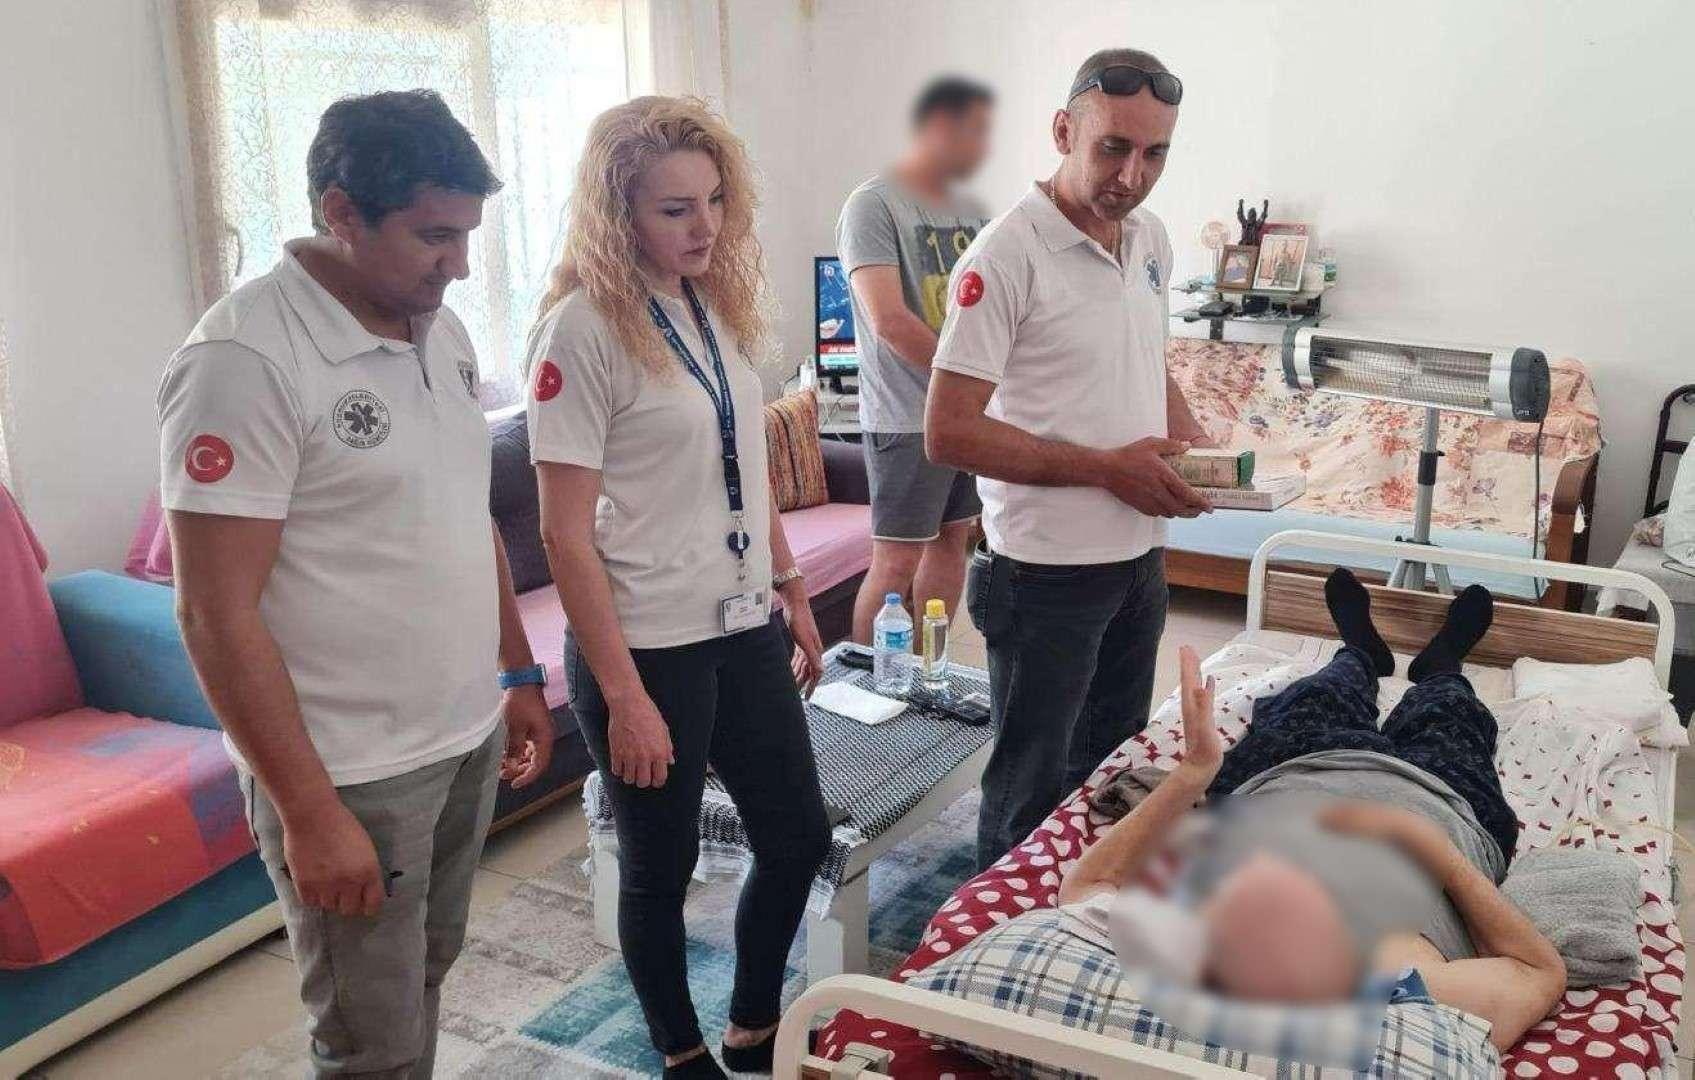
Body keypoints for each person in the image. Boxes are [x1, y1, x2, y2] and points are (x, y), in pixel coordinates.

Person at [159, 90, 555, 1078]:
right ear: (341, 213)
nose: (459, 265)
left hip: (462, 737)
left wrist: (516, 675)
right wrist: (307, 810)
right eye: (434, 235)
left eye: (467, 235)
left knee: (422, 976)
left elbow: (466, 519)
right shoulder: (243, 360)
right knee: (366, 1037)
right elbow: (212, 612)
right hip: (351, 770)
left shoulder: (440, 329)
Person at [527, 96, 832, 1079]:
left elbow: (747, 468)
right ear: (617, 215)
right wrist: (623, 698)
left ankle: (752, 1028)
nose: (704, 227)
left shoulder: (709, 305)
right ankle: (680, 1052)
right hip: (646, 646)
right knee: (661, 869)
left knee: (797, 837)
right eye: (674, 209)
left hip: (741, 626)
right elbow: (563, 536)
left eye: (713, 201)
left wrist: (791, 589)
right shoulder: (581, 332)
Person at [1058, 569, 1562, 1051]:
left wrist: (1195, 772)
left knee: (1317, 695)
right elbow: (1538, 972)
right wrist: (1434, 849)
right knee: (1451, 713)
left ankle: (1359, 652)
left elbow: (1086, 891)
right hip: (1437, 796)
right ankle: (1443, 665)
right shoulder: (1406, 991)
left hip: (1288, 773)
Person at [924, 48, 1214, 869]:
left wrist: (1197, 450)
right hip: (1043, 576)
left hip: (1138, 562)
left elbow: (1143, 361)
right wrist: (1107, 468)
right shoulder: (1003, 257)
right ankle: (995, 934)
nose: (1132, 175)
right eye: (1112, 148)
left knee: (1110, 771)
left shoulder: (1149, 238)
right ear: (1062, 131)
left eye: (1154, 153)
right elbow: (947, 432)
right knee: (1028, 788)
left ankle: (1082, 916)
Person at [837, 76, 994, 642]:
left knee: (953, 541)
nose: (980, 146)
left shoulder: (971, 213)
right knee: (897, 560)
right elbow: (889, 321)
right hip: (905, 418)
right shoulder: (872, 205)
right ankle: (860, 680)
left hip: (964, 414)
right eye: (971, 131)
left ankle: (930, 669)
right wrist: (969, 378)